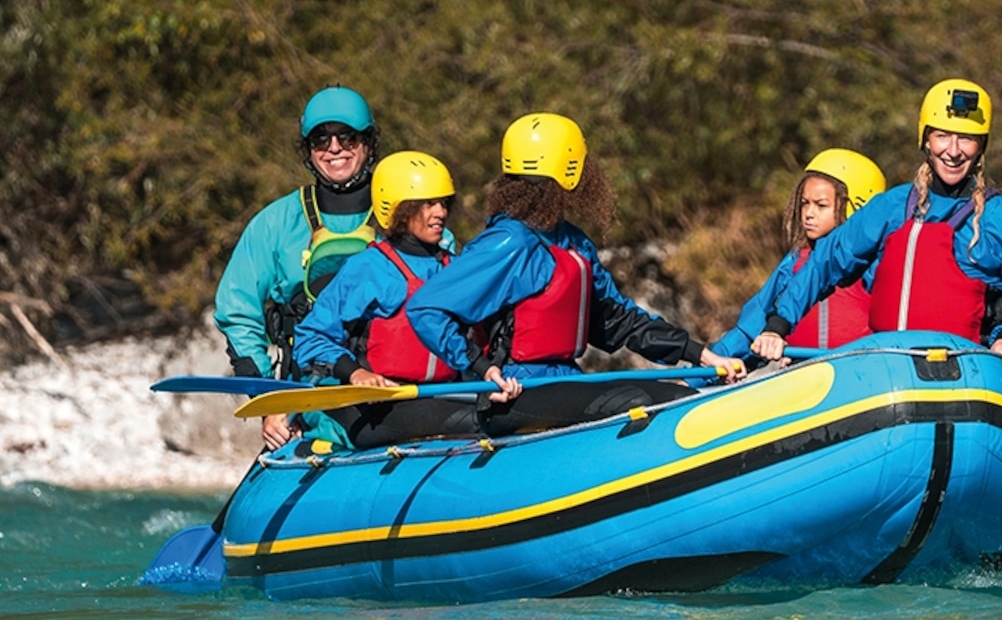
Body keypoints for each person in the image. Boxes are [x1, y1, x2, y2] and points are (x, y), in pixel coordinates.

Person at [405, 112, 743, 432]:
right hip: (517, 393)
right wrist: (481, 369)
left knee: (676, 395)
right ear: (566, 169)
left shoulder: (573, 242)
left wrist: (696, 352)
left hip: (566, 379)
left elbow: (617, 320)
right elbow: (427, 308)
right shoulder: (509, 241)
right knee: (643, 400)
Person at [753, 79, 1002, 360]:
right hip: (889, 371)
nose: (953, 150)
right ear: (925, 140)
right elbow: (825, 262)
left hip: (964, 371)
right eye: (942, 136)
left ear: (981, 146)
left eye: (967, 139)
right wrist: (778, 324)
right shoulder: (891, 208)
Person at [290, 152, 473, 447]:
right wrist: (356, 372)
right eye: (428, 203)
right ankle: (320, 426)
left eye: (443, 202)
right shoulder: (369, 269)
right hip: (379, 404)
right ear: (398, 208)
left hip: (440, 395)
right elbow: (311, 337)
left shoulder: (456, 268)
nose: (440, 212)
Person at [212, 86, 382, 379]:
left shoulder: (406, 213)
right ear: (308, 150)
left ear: (367, 142)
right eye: (320, 139)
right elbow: (237, 309)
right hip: (306, 398)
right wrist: (266, 396)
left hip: (393, 394)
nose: (334, 148)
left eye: (347, 136)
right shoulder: (277, 221)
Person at [711, 148, 887, 364]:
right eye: (804, 203)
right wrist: (705, 368)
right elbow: (749, 329)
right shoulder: (796, 261)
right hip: (800, 375)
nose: (809, 214)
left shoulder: (876, 263)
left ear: (858, 208)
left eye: (821, 205)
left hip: (861, 375)